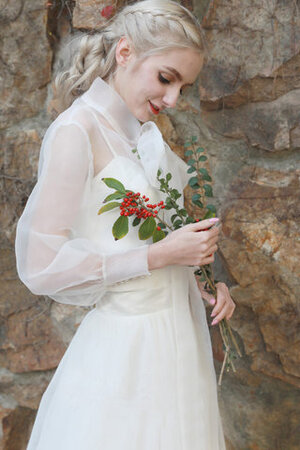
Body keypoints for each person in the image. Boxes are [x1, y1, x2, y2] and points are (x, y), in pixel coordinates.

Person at [15, 1, 235, 448]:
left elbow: (149, 238)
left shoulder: (142, 134)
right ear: (125, 53)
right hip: (128, 353)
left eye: (183, 87)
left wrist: (199, 281)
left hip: (181, 346)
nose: (173, 100)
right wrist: (160, 255)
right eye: (166, 79)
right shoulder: (76, 131)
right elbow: (42, 264)